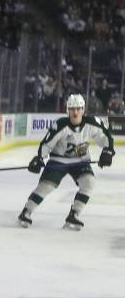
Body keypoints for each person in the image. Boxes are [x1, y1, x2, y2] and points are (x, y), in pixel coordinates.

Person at [17, 94, 114, 231]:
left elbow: (106, 137)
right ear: (67, 110)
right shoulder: (60, 125)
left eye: (78, 109)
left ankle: (73, 215)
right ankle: (26, 211)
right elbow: (47, 144)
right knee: (46, 186)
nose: (75, 112)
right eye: (72, 109)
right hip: (59, 160)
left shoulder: (92, 123)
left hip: (81, 161)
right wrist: (39, 158)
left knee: (89, 183)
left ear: (83, 109)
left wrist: (108, 152)